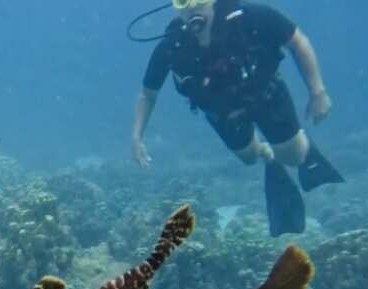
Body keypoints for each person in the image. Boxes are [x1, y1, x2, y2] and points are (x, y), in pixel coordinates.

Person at [130, 0, 344, 236]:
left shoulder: (250, 16)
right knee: (250, 157)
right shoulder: (172, 46)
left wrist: (318, 93)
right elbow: (147, 94)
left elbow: (298, 41)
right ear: (175, 7)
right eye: (183, 1)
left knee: (294, 156)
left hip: (265, 95)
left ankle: (301, 150)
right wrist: (136, 137)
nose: (192, 7)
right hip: (224, 112)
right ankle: (268, 156)